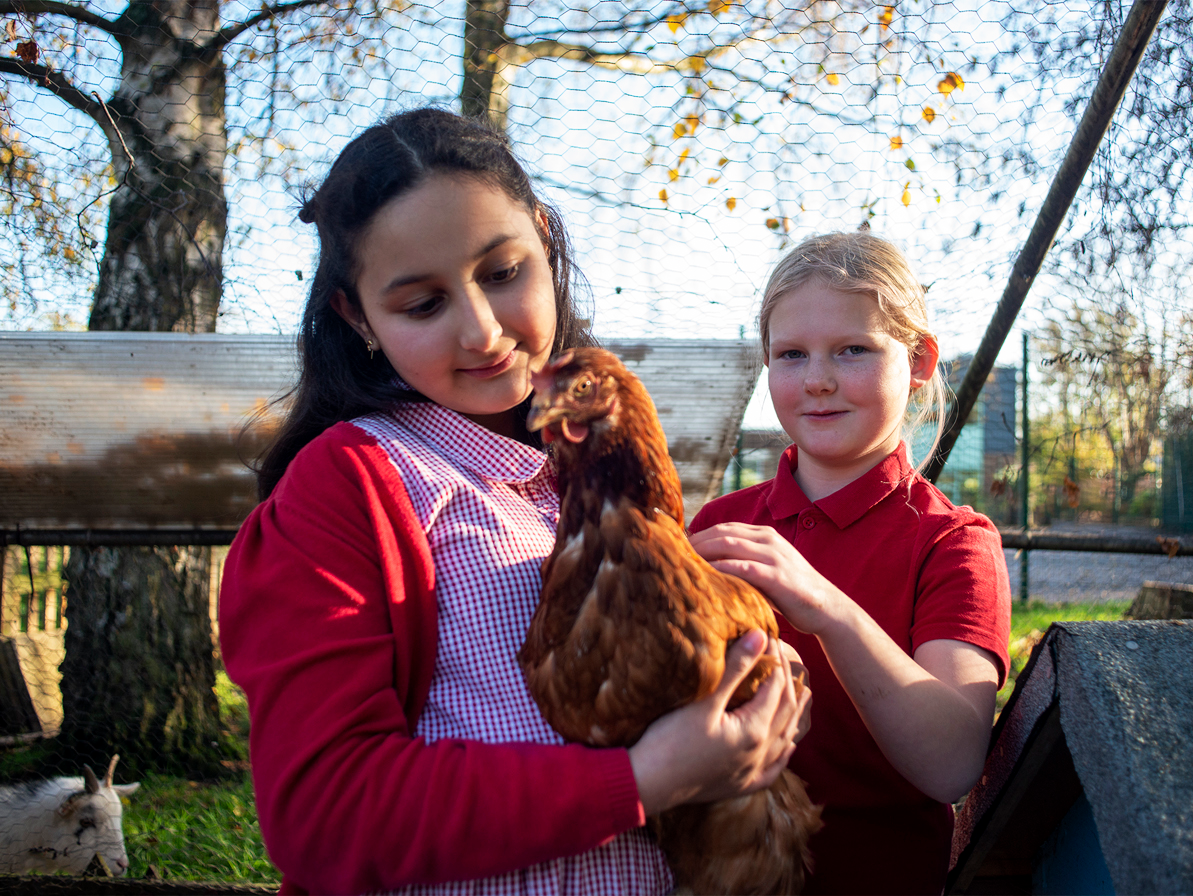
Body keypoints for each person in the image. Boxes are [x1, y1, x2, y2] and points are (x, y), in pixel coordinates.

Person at [218, 107, 807, 896]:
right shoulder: (348, 487)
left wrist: (749, 693)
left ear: (545, 238)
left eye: (502, 273)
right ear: (357, 317)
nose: (484, 332)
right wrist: (642, 778)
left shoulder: (589, 478)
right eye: (423, 305)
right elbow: (325, 812)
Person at [689, 232, 1012, 895]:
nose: (817, 380)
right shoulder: (719, 527)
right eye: (791, 355)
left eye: (852, 350)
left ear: (919, 360)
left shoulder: (954, 542)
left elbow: (951, 763)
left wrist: (830, 611)